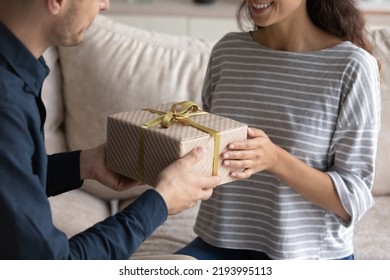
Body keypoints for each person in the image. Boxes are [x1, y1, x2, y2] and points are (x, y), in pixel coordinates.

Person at [0, 0, 221, 259]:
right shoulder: (7, 104)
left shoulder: (14, 78)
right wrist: (160, 202)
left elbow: (14, 186)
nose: (104, 5)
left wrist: (84, 165)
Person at [176, 0, 381, 260]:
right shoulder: (227, 51)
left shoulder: (352, 66)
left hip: (305, 256)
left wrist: (275, 159)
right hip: (219, 243)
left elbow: (353, 199)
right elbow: (207, 149)